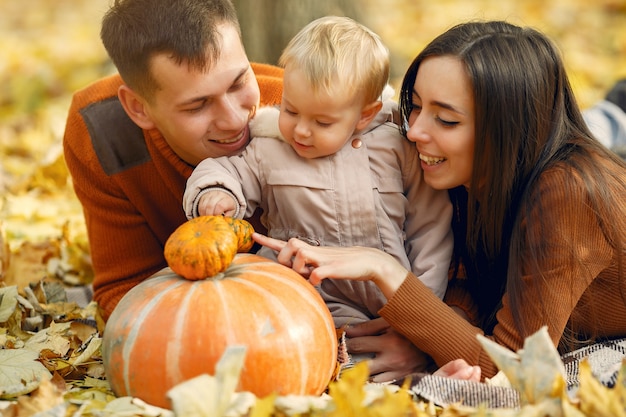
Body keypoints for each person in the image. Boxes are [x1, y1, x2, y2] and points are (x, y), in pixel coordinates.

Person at [253, 20, 626, 380]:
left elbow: (511, 370)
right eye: (415, 106)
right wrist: (431, 337)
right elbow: (471, 282)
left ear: (509, 130)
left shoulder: (568, 196)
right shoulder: (465, 174)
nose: (413, 131)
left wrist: (383, 268)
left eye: (445, 120)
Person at [182, 16, 453, 329]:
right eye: (291, 110)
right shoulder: (269, 149)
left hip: (391, 299)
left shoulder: (395, 148)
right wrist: (216, 191)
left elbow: (429, 230)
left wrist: (424, 311)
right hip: (304, 295)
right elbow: (227, 169)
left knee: (394, 365)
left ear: (364, 115)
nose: (300, 130)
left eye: (322, 122)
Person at [62, 0, 284, 322]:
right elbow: (124, 288)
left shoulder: (307, 117)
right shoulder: (101, 130)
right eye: (197, 106)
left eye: (238, 83)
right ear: (138, 108)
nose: (234, 120)